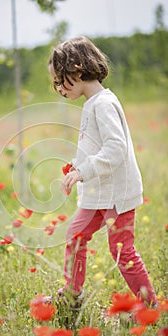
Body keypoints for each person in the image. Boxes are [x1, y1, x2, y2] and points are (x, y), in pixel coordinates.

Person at [47, 36, 157, 309]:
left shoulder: (103, 104)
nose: (58, 88)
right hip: (99, 193)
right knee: (75, 235)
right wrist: (78, 165)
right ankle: (72, 295)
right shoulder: (92, 103)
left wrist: (84, 170)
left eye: (60, 79)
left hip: (117, 195)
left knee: (122, 251)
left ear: (77, 70)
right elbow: (96, 147)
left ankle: (149, 305)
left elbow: (116, 148)